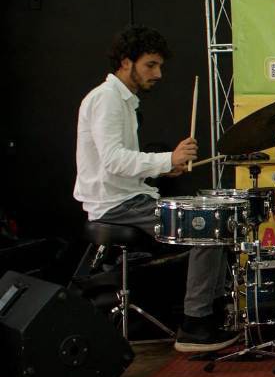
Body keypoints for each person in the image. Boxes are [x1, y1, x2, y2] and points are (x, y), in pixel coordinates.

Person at [74, 25, 239, 353]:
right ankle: (195, 324)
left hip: (129, 197)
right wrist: (168, 159)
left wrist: (166, 168)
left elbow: (122, 165)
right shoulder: (106, 99)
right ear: (126, 62)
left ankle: (212, 312)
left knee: (217, 220)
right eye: (150, 65)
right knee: (207, 226)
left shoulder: (123, 101)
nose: (158, 74)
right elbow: (113, 161)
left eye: (160, 66)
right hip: (116, 205)